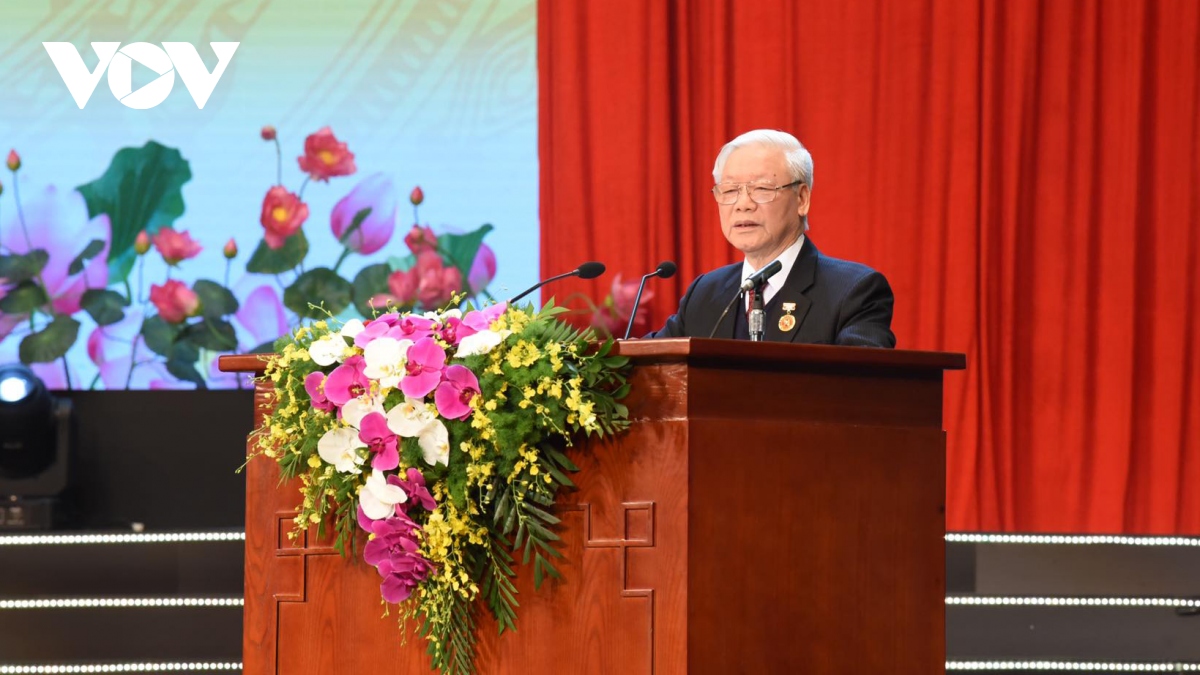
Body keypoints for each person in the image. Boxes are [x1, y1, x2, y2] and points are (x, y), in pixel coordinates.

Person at [649, 129, 896, 348]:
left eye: (762, 189)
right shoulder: (705, 293)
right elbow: (648, 364)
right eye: (730, 190)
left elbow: (862, 381)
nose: (743, 204)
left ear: (802, 199)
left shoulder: (852, 291)